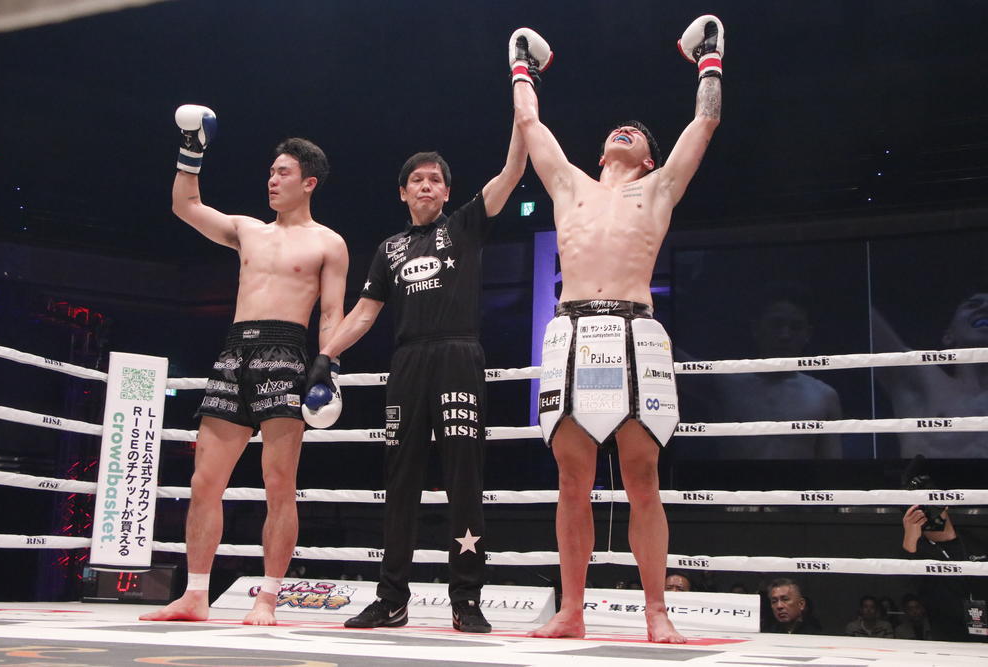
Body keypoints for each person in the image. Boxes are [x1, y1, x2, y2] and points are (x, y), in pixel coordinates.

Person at [512, 16, 723, 643]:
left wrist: (710, 60)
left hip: (634, 335)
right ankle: (572, 609)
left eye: (638, 134)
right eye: (616, 131)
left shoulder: (659, 189)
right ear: (603, 152)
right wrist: (521, 66)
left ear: (649, 157)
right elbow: (530, 124)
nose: (624, 130)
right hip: (573, 333)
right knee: (571, 482)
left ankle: (657, 611)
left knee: (643, 479)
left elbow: (704, 123)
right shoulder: (568, 185)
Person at [311, 123, 527, 632]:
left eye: (435, 180)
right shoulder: (389, 249)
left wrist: (523, 114)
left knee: (464, 479)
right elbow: (364, 313)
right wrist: (326, 355)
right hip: (407, 364)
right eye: (417, 180)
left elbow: (512, 170)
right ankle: (391, 599)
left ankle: (466, 599)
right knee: (400, 480)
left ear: (447, 192)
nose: (426, 186)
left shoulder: (465, 226)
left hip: (458, 357)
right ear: (403, 192)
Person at [140, 106, 348, 625]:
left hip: (288, 353)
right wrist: (191, 151)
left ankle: (268, 597)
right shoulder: (247, 230)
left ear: (309, 182)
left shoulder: (328, 242)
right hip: (234, 353)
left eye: (283, 172)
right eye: (271, 171)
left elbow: (331, 313)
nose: (272, 180)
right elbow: (185, 205)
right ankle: (195, 594)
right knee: (204, 482)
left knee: (279, 485)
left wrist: (327, 367)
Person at [677, 287, 843, 459]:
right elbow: (674, 363)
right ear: (756, 328)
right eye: (776, 325)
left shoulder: (823, 396)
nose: (785, 335)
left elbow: (832, 463)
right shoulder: (726, 383)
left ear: (807, 334)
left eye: (795, 327)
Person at [872, 294, 988, 458]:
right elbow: (860, 310)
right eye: (973, 305)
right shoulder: (923, 376)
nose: (985, 308)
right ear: (948, 336)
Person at [901, 504, 988, 641]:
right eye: (918, 512)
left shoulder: (973, 540)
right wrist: (910, 538)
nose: (925, 515)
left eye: (927, 508)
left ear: (944, 505)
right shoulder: (916, 551)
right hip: (948, 636)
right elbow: (908, 584)